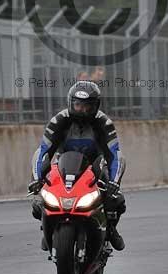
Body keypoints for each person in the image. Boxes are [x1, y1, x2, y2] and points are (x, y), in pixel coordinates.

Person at [30, 80, 126, 250]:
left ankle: (111, 229)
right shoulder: (58, 121)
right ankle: (48, 228)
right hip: (64, 165)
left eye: (87, 106)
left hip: (94, 166)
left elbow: (115, 154)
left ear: (96, 106)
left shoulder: (104, 123)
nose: (82, 110)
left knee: (116, 200)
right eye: (78, 105)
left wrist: (114, 181)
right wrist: (37, 179)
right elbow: (42, 152)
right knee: (38, 203)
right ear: (70, 103)